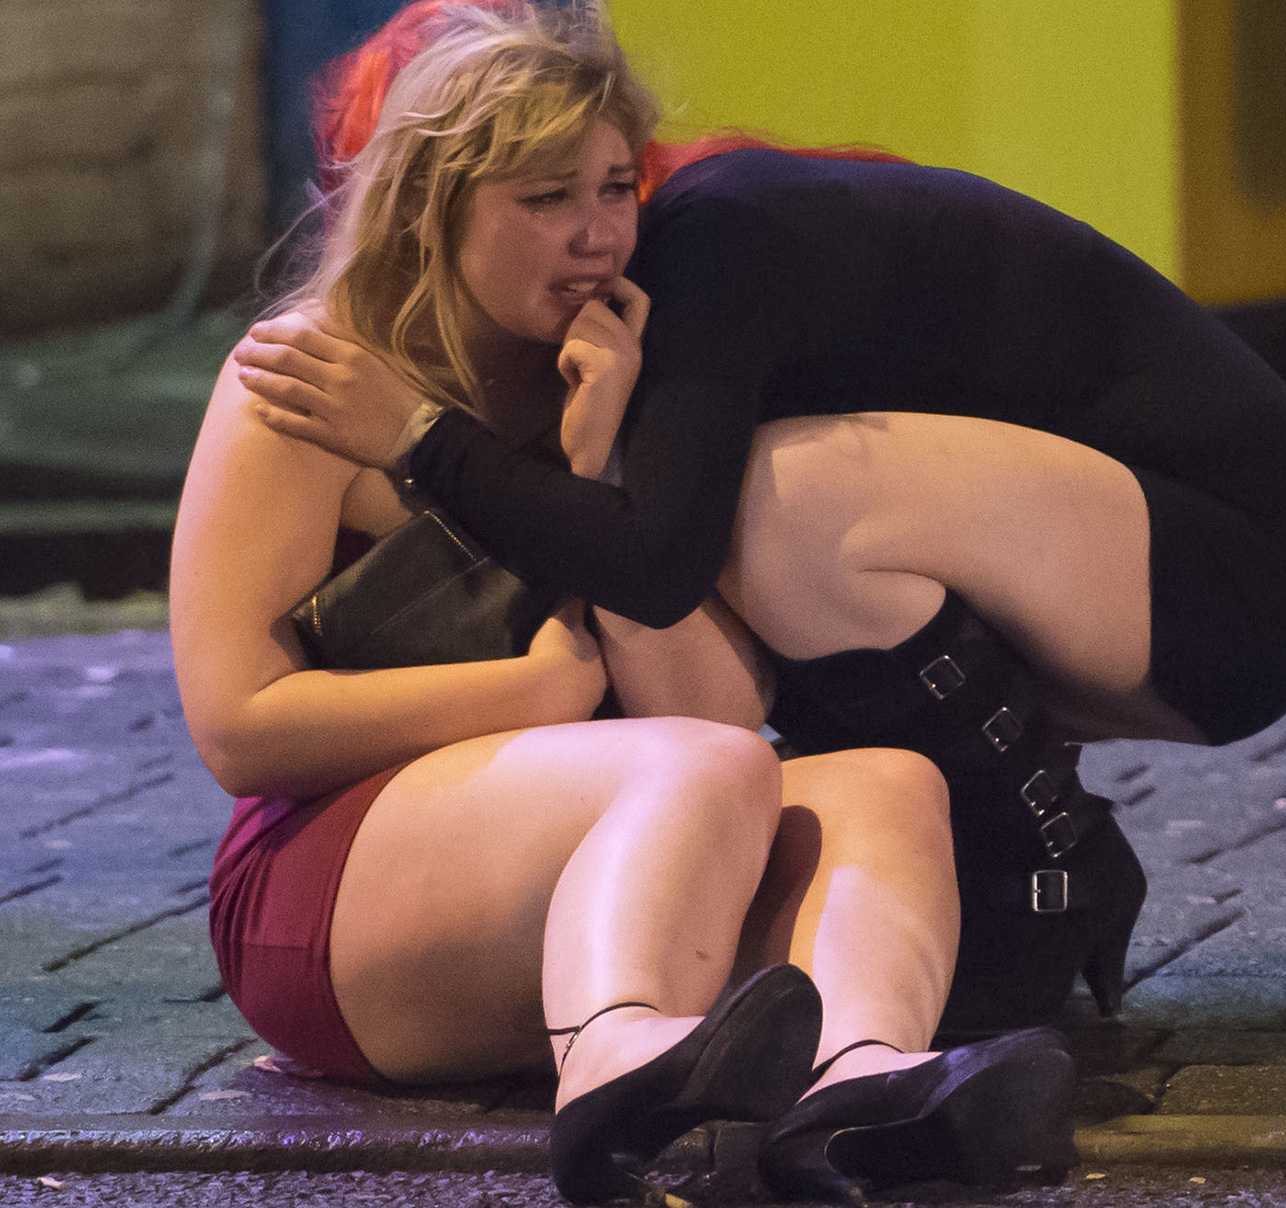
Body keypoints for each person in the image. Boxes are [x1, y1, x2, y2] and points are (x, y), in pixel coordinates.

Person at [174, 2, 1078, 1203]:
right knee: (694, 770)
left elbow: (705, 707)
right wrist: (535, 691)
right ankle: (611, 1058)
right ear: (431, 206)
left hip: (600, 861)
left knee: (880, 782)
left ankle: (859, 1088)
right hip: (328, 899)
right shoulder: (314, 375)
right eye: (546, 198)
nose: (597, 234)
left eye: (615, 188)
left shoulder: (615, 363)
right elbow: (239, 726)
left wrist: (600, 477)